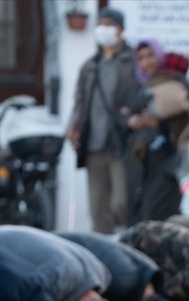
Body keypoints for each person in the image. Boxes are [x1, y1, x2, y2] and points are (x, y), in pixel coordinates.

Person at [67, 7, 143, 233]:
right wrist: (73, 126)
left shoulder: (134, 61)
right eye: (101, 24)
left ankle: (126, 242)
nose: (104, 29)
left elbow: (142, 94)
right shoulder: (90, 66)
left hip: (121, 142)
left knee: (121, 202)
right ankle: (104, 256)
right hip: (93, 143)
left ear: (121, 30)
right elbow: (79, 102)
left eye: (109, 24)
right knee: (97, 208)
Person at [128, 43, 189, 222]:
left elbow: (174, 118)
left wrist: (154, 122)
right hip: (151, 161)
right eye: (141, 58)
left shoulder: (169, 84)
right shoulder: (148, 85)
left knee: (157, 214)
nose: (146, 63)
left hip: (168, 161)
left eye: (150, 56)